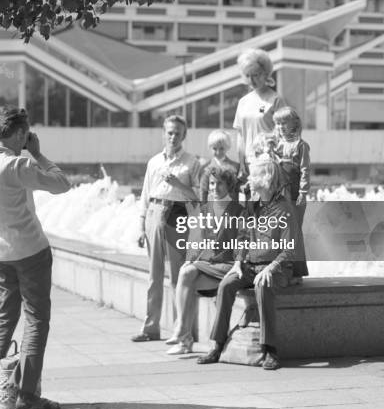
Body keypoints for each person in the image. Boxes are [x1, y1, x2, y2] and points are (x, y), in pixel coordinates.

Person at [0, 105, 71, 409]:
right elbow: (62, 184)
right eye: (26, 134)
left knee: (4, 319)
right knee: (36, 320)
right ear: (22, 134)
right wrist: (38, 154)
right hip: (31, 253)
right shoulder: (16, 166)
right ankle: (27, 396)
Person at [197, 154, 307, 370]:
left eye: (254, 174)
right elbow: (243, 236)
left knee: (262, 284)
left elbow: (290, 248)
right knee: (226, 284)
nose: (249, 178)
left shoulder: (284, 209)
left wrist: (272, 268)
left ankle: (270, 350)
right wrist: (238, 262)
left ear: (266, 178)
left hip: (277, 267)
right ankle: (217, 345)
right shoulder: (253, 206)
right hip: (249, 266)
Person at [132, 115, 201, 342]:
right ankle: (150, 328)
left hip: (177, 214)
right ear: (164, 133)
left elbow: (199, 196)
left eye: (178, 133)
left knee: (178, 277)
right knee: (154, 276)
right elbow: (144, 194)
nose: (173, 137)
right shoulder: (153, 162)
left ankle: (180, 331)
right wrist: (141, 226)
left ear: (184, 135)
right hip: (154, 212)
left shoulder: (191, 162)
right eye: (170, 132)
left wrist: (178, 184)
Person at [166, 167, 244, 355]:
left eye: (219, 183)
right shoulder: (205, 209)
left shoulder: (238, 210)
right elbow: (196, 240)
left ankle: (184, 337)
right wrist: (190, 259)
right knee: (185, 273)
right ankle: (182, 335)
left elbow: (243, 239)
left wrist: (239, 262)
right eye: (211, 183)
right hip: (208, 263)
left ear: (228, 185)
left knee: (188, 280)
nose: (215, 187)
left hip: (228, 265)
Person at [233, 48, 286, 195]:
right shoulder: (243, 102)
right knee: (250, 208)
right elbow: (240, 134)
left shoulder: (276, 100)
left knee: (267, 205)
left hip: (268, 163)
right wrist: (241, 162)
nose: (252, 80)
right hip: (249, 163)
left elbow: (284, 134)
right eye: (248, 75)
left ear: (265, 73)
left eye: (256, 75)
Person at [273, 106, 311, 229]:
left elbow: (305, 170)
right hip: (280, 194)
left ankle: (296, 248)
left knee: (294, 227)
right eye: (278, 123)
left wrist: (303, 193)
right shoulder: (277, 145)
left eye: (284, 123)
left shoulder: (301, 145)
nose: (280, 126)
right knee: (280, 227)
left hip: (295, 193)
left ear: (294, 124)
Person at [199, 129, 239, 203]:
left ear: (228, 147)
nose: (218, 152)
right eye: (214, 148)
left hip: (231, 208)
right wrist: (203, 209)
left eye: (221, 148)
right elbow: (203, 191)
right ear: (210, 148)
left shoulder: (235, 167)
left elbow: (236, 191)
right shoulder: (206, 168)